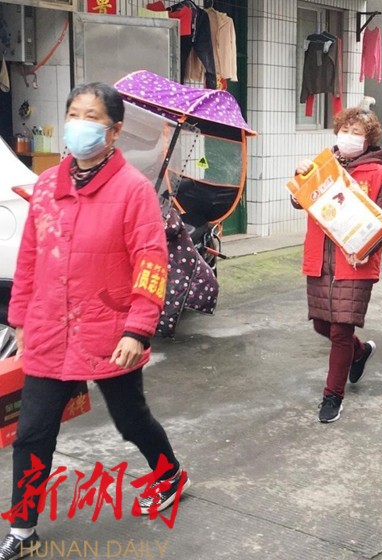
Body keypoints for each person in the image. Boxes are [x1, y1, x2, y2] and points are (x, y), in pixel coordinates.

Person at [1, 83, 188, 560]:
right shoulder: (47, 186)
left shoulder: (133, 191)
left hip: (109, 328)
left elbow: (151, 262)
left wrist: (137, 329)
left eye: (91, 116)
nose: (79, 125)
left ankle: (168, 473)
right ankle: (22, 528)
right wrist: (19, 318)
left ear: (114, 131)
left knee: (131, 420)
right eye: (73, 114)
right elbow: (29, 258)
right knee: (32, 433)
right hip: (48, 327)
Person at [293, 102, 382, 424]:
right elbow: (298, 201)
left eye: (357, 132)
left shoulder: (379, 174)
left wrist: (366, 249)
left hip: (355, 262)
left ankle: (332, 396)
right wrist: (301, 178)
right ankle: (360, 352)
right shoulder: (323, 166)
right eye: (345, 130)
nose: (349, 136)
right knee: (321, 324)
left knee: (340, 330)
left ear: (368, 140)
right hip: (320, 259)